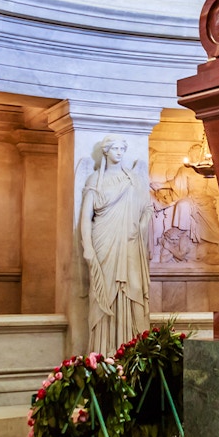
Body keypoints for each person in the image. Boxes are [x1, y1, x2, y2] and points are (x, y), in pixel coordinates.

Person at [79, 135, 152, 356]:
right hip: (104, 240)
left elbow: (147, 208)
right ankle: (104, 351)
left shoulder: (133, 179)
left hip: (129, 241)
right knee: (103, 292)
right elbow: (85, 218)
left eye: (123, 148)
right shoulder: (95, 180)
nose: (120, 152)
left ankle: (130, 349)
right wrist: (88, 248)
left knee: (133, 289)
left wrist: (141, 225)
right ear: (106, 152)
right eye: (115, 148)